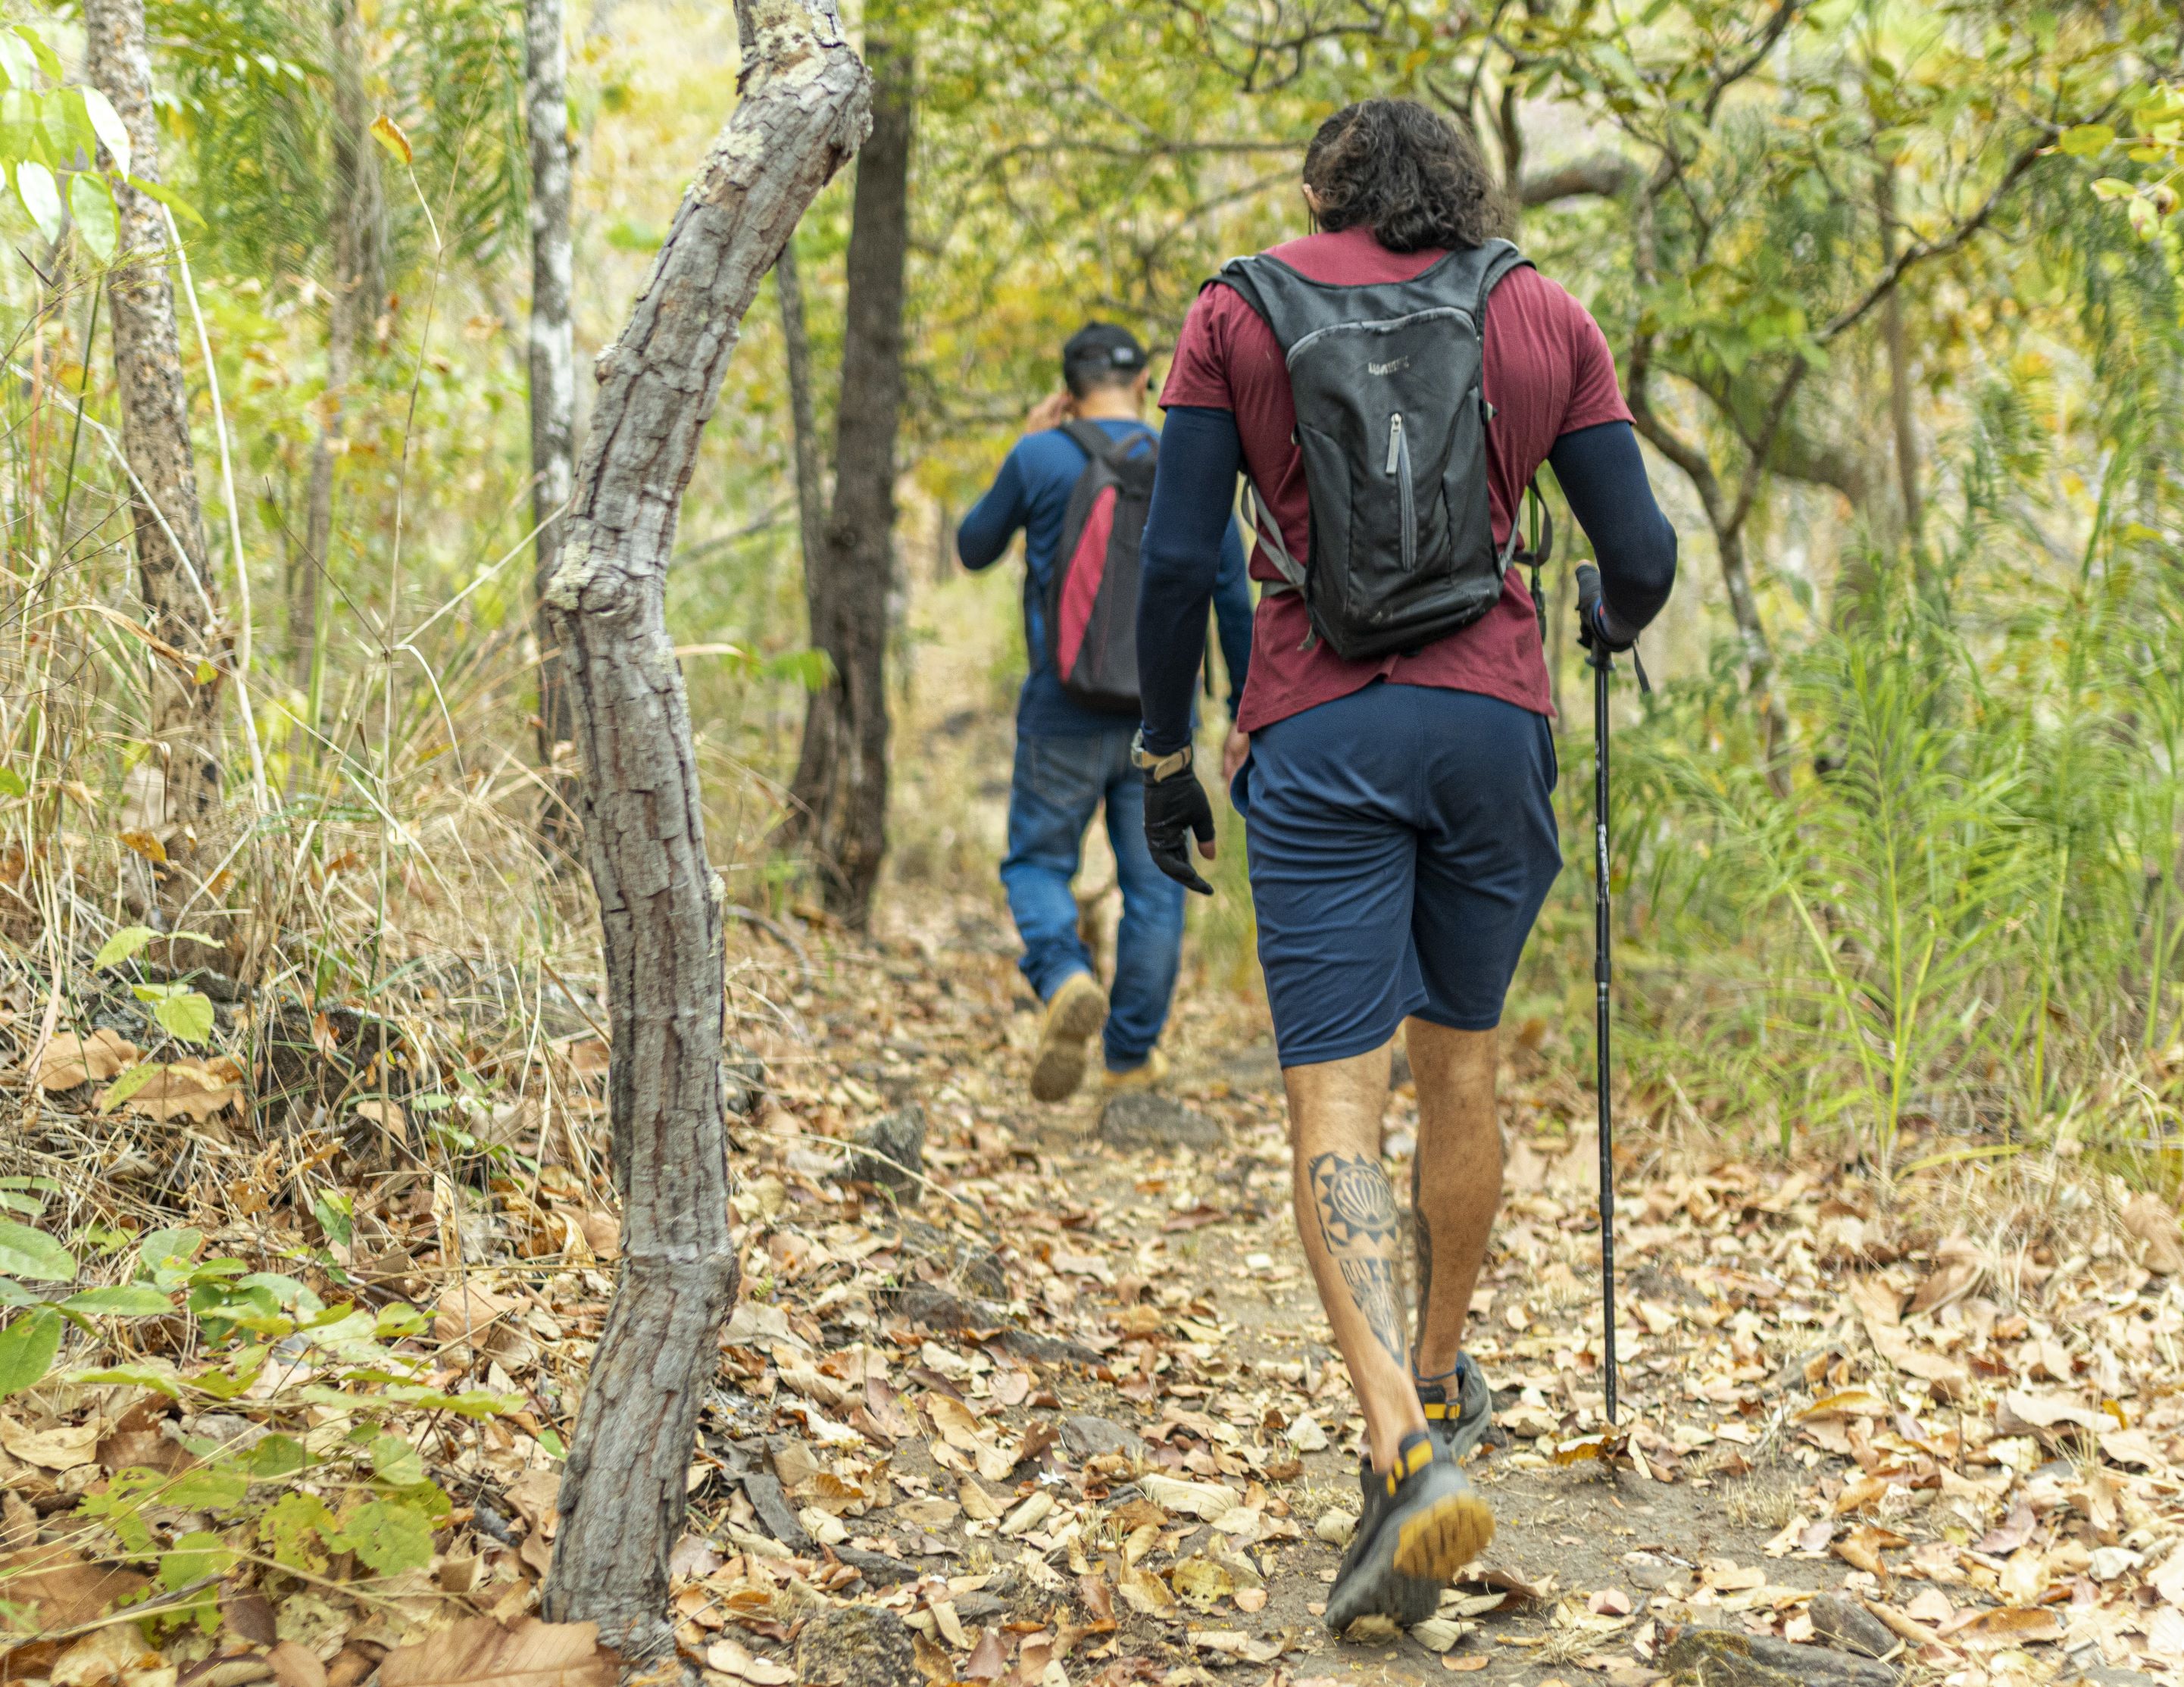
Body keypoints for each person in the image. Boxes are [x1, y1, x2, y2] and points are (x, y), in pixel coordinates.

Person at [1132, 101, 1677, 1632]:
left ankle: (1403, 1449)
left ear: (1321, 192)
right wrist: (1602, 621)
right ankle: (1435, 1371)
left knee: (1335, 1097)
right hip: (1490, 728)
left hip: (1320, 732)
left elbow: (1174, 562)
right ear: (1458, 188)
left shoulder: (1235, 312)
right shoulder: (1538, 311)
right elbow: (1639, 556)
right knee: (1461, 1066)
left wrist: (1166, 756)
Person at [958, 323, 1255, 1102]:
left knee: (1036, 863)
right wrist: (1243, 709)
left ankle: (1063, 975)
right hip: (1164, 723)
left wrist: (1027, 445)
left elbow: (972, 546)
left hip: (1060, 707)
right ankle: (1128, 1058)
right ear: (1147, 382)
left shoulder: (1040, 457)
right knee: (1156, 886)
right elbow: (1232, 595)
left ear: (1067, 391)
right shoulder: (1194, 464)